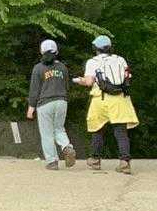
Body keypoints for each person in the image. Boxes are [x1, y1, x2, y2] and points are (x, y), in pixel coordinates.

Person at [75, 33, 139, 173]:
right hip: (120, 99)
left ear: (96, 48)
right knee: (121, 132)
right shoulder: (120, 59)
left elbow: (89, 82)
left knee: (97, 129)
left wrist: (80, 81)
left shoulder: (93, 62)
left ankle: (95, 160)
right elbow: (127, 76)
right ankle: (125, 162)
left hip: (101, 99)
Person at [26, 39, 76, 169]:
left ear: (41, 52)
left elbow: (34, 89)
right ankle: (67, 147)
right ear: (56, 52)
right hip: (62, 101)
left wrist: (31, 107)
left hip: (45, 103)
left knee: (47, 133)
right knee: (59, 128)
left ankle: (52, 161)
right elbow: (67, 86)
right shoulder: (62, 67)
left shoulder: (38, 68)